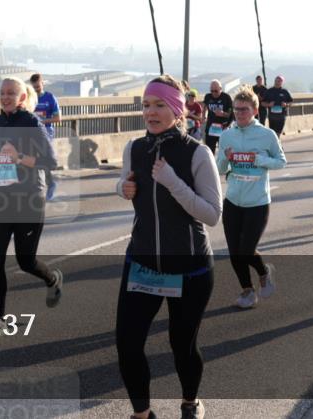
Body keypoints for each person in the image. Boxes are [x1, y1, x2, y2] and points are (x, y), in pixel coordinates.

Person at [115, 76, 222, 419]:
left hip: (189, 268)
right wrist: (123, 187)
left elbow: (212, 214)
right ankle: (142, 414)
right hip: (142, 263)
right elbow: (125, 182)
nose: (151, 112)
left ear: (177, 110)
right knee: (127, 343)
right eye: (146, 105)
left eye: (160, 104)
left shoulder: (197, 152)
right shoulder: (134, 148)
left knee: (182, 345)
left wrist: (173, 182)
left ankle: (190, 402)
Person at [0, 77, 62, 338]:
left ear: (22, 97)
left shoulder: (31, 123)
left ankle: (52, 279)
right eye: (2, 93)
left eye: (11, 93)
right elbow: (3, 154)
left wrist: (20, 157)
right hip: (2, 196)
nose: (5, 97)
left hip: (30, 198)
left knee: (26, 261)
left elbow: (51, 161)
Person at [216, 86, 286, 309]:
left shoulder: (267, 135)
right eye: (236, 109)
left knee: (246, 251)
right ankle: (247, 291)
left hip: (257, 202)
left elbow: (281, 161)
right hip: (233, 201)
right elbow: (219, 169)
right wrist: (225, 158)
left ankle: (264, 272)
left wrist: (260, 160)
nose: (239, 113)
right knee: (234, 253)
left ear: (255, 110)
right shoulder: (227, 135)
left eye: (244, 109)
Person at [30, 74, 61, 201]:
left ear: (42, 84)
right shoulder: (29, 99)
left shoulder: (50, 98)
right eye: (34, 87)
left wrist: (42, 122)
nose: (36, 89)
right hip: (31, 133)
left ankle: (50, 183)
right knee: (33, 160)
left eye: (38, 86)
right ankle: (44, 184)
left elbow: (58, 118)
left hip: (46, 133)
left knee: (44, 159)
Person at [201, 81, 233, 155]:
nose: (214, 93)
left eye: (216, 91)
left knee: (223, 152)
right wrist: (203, 116)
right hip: (211, 129)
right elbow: (204, 106)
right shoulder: (208, 96)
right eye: (212, 91)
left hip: (223, 128)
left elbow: (231, 114)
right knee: (209, 152)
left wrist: (223, 114)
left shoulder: (226, 97)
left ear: (221, 89)